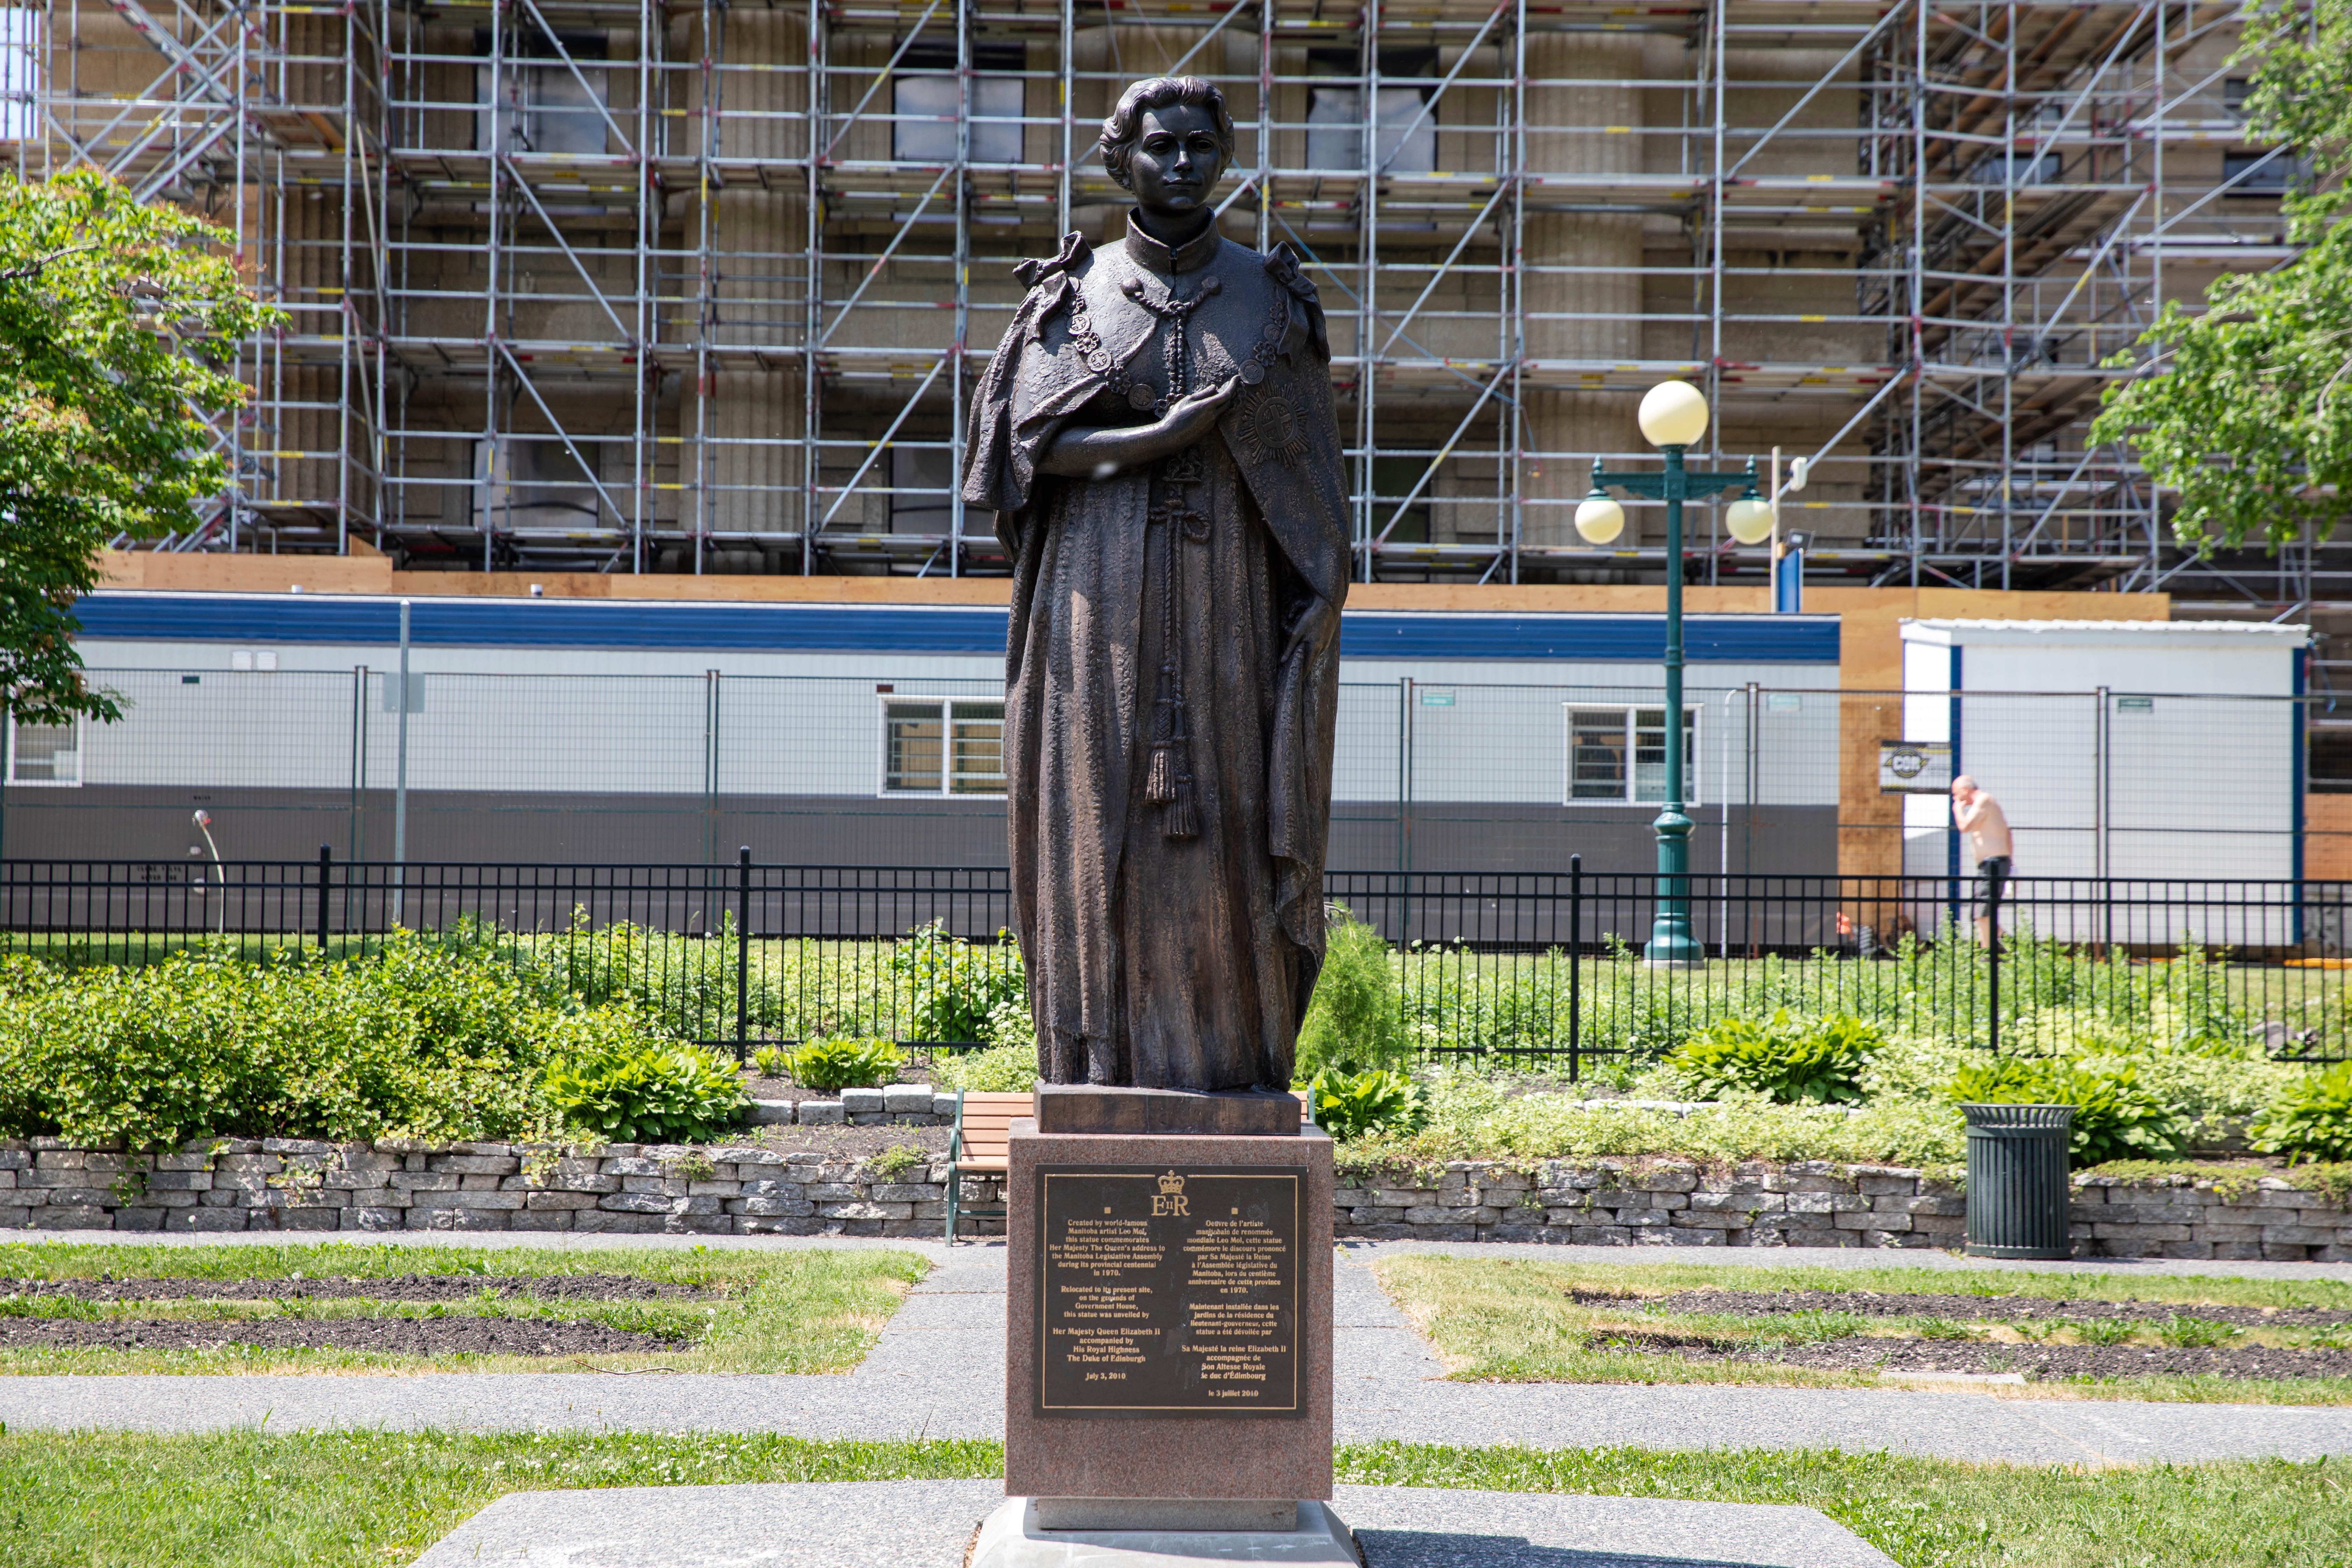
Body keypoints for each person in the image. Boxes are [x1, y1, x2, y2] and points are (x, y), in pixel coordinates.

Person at [959, 76, 1349, 1091]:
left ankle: (1233, 1063)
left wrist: (1319, 590)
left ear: (1223, 159)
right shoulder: (1073, 294)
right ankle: (1100, 1062)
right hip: (1096, 598)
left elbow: (1309, 475)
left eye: (1198, 148)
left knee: (1225, 820)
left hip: (1231, 602)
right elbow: (1024, 455)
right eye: (1159, 147)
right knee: (1100, 814)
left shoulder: (1271, 298)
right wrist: (1158, 439)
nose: (1180, 164)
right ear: (1121, 159)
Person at [1950, 775, 2012, 946]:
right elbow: (2008, 833)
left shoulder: (1984, 800)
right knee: (1982, 911)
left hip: (1993, 864)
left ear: (1966, 790)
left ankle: (1989, 952)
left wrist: (1957, 809)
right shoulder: (1988, 805)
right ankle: (2006, 945)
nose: (1956, 798)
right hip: (1992, 864)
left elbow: (1965, 827)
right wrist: (2010, 862)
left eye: (1956, 794)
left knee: (1983, 911)